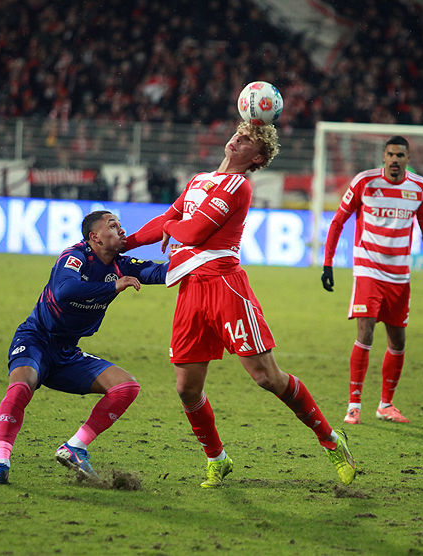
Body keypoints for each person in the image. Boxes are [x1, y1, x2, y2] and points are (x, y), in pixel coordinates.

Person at [124, 122, 356, 488]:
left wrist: (171, 227)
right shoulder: (200, 180)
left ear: (258, 158)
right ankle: (217, 459)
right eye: (239, 132)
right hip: (190, 289)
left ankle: (330, 440)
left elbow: (194, 232)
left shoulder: (238, 186)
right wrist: (124, 245)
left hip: (225, 286)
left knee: (267, 377)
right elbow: (167, 219)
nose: (237, 138)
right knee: (186, 388)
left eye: (248, 139)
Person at [0, 210, 167, 485]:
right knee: (21, 387)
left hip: (68, 353)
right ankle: (1, 464)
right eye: (113, 225)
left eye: (120, 225)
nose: (121, 230)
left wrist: (189, 254)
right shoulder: (76, 256)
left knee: (126, 387)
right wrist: (113, 287)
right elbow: (64, 290)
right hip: (36, 339)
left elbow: (162, 273)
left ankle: (75, 446)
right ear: (95, 237)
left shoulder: (122, 265)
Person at [320, 136, 423, 426]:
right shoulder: (365, 182)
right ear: (384, 157)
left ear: (408, 159)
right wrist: (328, 263)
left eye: (400, 155)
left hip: (399, 274)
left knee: (398, 341)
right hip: (368, 270)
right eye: (390, 154)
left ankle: (386, 404)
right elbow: (338, 221)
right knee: (366, 332)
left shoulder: (420, 188)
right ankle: (354, 405)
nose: (395, 160)